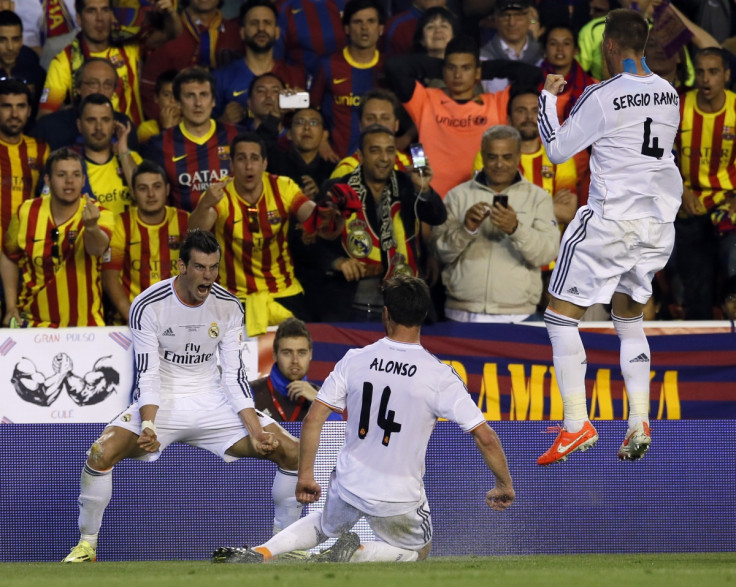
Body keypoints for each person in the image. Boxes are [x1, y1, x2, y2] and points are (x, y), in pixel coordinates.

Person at [212, 274, 515, 565]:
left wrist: (305, 474)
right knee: (418, 552)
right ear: (423, 315)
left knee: (321, 525)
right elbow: (484, 436)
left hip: (349, 481)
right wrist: (503, 485)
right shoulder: (439, 375)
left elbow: (313, 420)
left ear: (386, 314)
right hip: (399, 494)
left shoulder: (355, 359)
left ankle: (262, 551)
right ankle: (356, 551)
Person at [61, 230, 302, 563]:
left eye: (214, 268)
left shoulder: (229, 306)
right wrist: (148, 423)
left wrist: (256, 430)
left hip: (214, 402)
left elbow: (233, 378)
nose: (208, 277)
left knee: (292, 453)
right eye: (201, 268)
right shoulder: (148, 304)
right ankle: (87, 546)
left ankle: (284, 549)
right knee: (100, 455)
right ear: (181, 266)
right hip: (163, 403)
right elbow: (148, 373)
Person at [536, 8, 682, 465]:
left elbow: (557, 150)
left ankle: (576, 424)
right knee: (629, 318)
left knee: (560, 318)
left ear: (609, 47)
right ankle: (638, 419)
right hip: (658, 227)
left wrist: (547, 99)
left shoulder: (602, 94)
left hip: (610, 223)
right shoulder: (670, 94)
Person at [188, 132, 338, 335]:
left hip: (282, 291)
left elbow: (315, 220)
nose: (248, 166)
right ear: (232, 164)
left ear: (265, 163)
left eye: (254, 158)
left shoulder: (283, 187)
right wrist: (205, 203)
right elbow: (193, 234)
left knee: (306, 345)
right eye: (241, 159)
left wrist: (334, 215)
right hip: (232, 296)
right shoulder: (220, 193)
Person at [384, 36, 542, 197]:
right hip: (436, 202)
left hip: (481, 201)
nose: (458, 75)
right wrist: (442, 68)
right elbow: (394, 67)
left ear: (477, 71)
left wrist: (481, 70)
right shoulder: (426, 101)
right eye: (452, 68)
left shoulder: (496, 104)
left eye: (466, 68)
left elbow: (532, 74)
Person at [435, 125, 559, 323]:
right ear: (482, 156)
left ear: (518, 156)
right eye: (492, 157)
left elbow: (546, 254)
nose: (499, 164)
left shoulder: (538, 198)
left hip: (518, 316)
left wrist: (516, 229)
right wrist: (466, 229)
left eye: (507, 157)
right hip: (461, 313)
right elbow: (441, 253)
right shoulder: (458, 196)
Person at [322, 124, 446, 321]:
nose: (384, 158)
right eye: (375, 151)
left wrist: (424, 189)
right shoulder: (338, 188)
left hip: (402, 308)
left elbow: (437, 216)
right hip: (352, 306)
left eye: (390, 151)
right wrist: (336, 262)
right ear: (360, 156)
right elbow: (313, 243)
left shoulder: (408, 183)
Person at [1, 147, 113, 327]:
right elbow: (8, 255)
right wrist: (10, 306)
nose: (69, 181)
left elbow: (97, 249)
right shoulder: (26, 211)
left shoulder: (100, 213)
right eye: (61, 175)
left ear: (83, 180)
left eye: (76, 175)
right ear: (48, 180)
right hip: (34, 323)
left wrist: (91, 226)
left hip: (86, 327)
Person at [39, 0, 178, 126]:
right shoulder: (65, 60)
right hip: (91, 144)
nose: (100, 19)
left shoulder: (128, 44)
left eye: (105, 10)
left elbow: (171, 33)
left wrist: (170, 13)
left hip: (133, 140)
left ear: (112, 15)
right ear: (79, 19)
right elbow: (45, 116)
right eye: (91, 11)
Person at [675, 47, 736, 320]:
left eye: (713, 72)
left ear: (726, 75)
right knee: (694, 283)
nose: (706, 79)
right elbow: (662, 155)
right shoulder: (678, 107)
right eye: (700, 72)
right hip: (689, 204)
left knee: (732, 265)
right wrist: (681, 189)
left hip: (729, 203)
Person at [102, 160, 189, 323]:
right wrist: (134, 319)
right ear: (133, 193)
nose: (151, 194)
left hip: (178, 323)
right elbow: (109, 279)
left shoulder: (185, 221)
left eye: (157, 187)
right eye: (143, 188)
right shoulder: (121, 223)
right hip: (129, 323)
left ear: (167, 189)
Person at [145, 67, 239, 212]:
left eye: (204, 95)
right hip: (186, 232)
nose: (198, 103)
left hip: (231, 230)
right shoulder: (158, 146)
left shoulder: (236, 136)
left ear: (213, 101)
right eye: (190, 96)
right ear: (178, 102)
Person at [140, 0, 242, 121]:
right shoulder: (166, 30)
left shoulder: (237, 33)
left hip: (228, 129)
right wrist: (172, 126)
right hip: (175, 129)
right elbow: (148, 89)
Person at [310, 0, 387, 160]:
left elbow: (413, 119)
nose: (364, 28)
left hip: (381, 163)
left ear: (381, 29)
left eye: (371, 21)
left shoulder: (390, 67)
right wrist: (321, 141)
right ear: (347, 29)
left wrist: (405, 142)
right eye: (358, 22)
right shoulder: (327, 64)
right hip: (335, 161)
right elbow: (310, 107)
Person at [213, 0, 305, 124]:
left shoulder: (296, 75)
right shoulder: (221, 78)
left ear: (277, 32)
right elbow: (204, 128)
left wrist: (301, 108)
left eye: (267, 23)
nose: (261, 28)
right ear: (242, 32)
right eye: (254, 23)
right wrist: (223, 121)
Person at [30, 57, 141, 152]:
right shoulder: (50, 126)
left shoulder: (124, 126)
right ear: (78, 88)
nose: (101, 91)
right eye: (93, 84)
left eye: (107, 85)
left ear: (114, 91)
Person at [0, 80, 48, 254]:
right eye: (6, 106)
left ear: (29, 111)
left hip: (25, 250)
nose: (14, 113)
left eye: (21, 106)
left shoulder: (42, 150)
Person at [75, 93, 142, 215]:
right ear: (79, 125)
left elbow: (144, 198)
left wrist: (123, 151)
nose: (99, 127)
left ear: (114, 125)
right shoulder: (70, 166)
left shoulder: (132, 158)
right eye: (91, 120)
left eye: (105, 120)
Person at [330, 89, 411, 179]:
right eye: (370, 118)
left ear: (396, 125)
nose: (378, 123)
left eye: (385, 118)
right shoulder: (347, 168)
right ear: (360, 125)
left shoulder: (408, 163)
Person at [251, 317, 319, 421]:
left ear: (310, 354)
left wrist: (321, 405)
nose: (295, 360)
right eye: (287, 353)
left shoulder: (322, 396)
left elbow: (338, 435)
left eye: (301, 353)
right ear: (275, 355)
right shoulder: (250, 392)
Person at [480, 0, 543, 93]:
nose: (512, 23)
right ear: (496, 18)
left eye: (518, 16)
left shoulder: (544, 55)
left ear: (529, 17)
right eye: (505, 16)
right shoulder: (483, 58)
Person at [0, 10, 46, 124]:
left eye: (15, 39)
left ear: (21, 40)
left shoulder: (35, 72)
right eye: (2, 40)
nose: (10, 47)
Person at [136, 69, 180, 144]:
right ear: (156, 98)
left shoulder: (193, 125)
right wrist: (167, 128)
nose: (172, 100)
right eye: (166, 95)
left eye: (177, 95)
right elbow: (157, 154)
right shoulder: (147, 129)